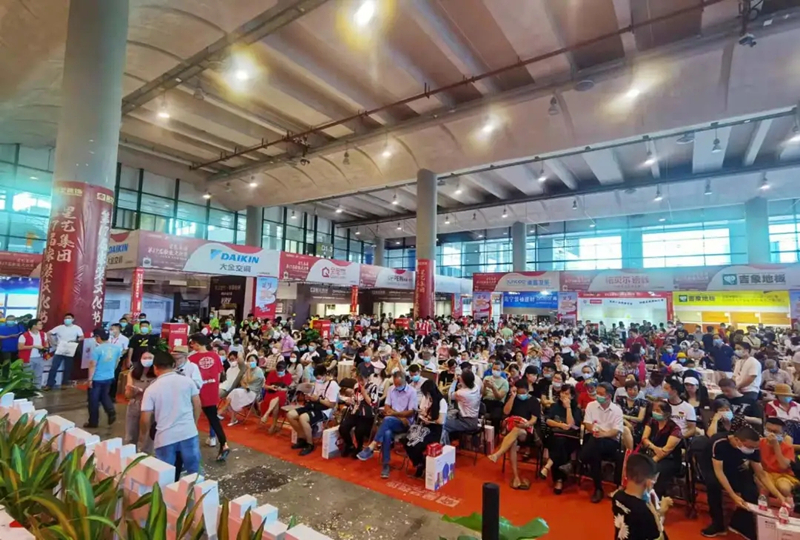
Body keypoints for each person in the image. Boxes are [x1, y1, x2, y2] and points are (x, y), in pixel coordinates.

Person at [702, 425, 786, 538]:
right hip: (713, 468)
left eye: (755, 447)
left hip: (736, 467)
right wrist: (733, 496)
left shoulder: (753, 448)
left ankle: (740, 523)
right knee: (713, 484)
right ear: (737, 440)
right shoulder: (719, 443)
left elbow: (761, 474)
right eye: (750, 447)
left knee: (751, 489)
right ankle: (717, 524)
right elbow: (719, 472)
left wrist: (779, 496)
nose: (752, 450)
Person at [140, 350, 202, 481]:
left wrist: (143, 437)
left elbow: (145, 418)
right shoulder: (187, 381)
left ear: (155, 368)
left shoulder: (151, 389)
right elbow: (197, 405)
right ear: (174, 365)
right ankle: (196, 493)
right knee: (194, 473)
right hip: (188, 433)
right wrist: (194, 424)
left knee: (165, 476)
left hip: (165, 437)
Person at [358, 370, 418, 479]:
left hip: (405, 424)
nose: (397, 386)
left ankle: (372, 446)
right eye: (395, 384)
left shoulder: (412, 392)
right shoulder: (391, 389)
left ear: (404, 381)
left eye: (399, 384)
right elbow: (386, 407)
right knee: (387, 433)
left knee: (387, 420)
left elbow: (410, 412)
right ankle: (386, 464)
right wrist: (398, 415)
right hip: (394, 420)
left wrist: (394, 414)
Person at [487, 379, 541, 490]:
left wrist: (525, 424)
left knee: (517, 430)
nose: (521, 395)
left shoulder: (534, 401)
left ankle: (498, 454)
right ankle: (516, 477)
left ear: (527, 390)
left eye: (523, 392)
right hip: (512, 429)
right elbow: (506, 412)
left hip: (527, 430)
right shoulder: (513, 398)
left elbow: (534, 420)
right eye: (519, 392)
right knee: (513, 441)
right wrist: (512, 397)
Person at [187, 334, 229, 461]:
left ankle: (189, 448)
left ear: (196, 343)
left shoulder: (191, 359)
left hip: (198, 393)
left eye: (192, 343)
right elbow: (218, 375)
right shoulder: (215, 356)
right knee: (213, 419)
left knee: (191, 419)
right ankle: (223, 443)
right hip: (212, 391)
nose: (192, 346)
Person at [612, 453, 672, 540]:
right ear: (649, 483)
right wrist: (659, 513)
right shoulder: (644, 511)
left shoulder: (617, 496)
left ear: (625, 473)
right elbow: (661, 537)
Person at [581, 382, 623, 503]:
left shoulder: (617, 410)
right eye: (597, 392)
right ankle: (598, 488)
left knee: (595, 444)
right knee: (595, 451)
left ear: (609, 396)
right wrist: (595, 431)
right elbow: (587, 423)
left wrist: (603, 434)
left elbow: (616, 430)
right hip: (594, 437)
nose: (597, 395)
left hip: (610, 440)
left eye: (600, 393)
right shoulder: (591, 405)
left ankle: (581, 458)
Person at [287, 364, 339, 456]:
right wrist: (309, 397)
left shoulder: (333, 385)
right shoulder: (318, 382)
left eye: (318, 378)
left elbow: (332, 404)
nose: (317, 380)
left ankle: (310, 443)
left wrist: (318, 399)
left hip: (324, 410)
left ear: (325, 374)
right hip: (314, 405)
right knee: (290, 415)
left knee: (303, 418)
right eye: (316, 378)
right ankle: (303, 437)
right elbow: (315, 395)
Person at [542, 383, 581, 494]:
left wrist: (568, 407)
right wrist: (559, 425)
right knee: (559, 443)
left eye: (567, 394)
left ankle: (549, 467)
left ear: (572, 396)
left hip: (571, 438)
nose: (564, 395)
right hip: (555, 435)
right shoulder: (555, 406)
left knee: (561, 444)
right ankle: (560, 479)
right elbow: (548, 420)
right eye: (562, 393)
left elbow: (571, 424)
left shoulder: (576, 409)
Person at [403, 379, 447, 477]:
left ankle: (421, 464)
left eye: (427, 393)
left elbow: (440, 421)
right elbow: (423, 411)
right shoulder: (426, 398)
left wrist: (429, 420)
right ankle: (419, 463)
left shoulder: (441, 402)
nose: (426, 396)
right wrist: (422, 414)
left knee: (416, 445)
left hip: (434, 430)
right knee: (406, 441)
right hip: (423, 426)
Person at [640, 400, 682, 497]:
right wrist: (654, 448)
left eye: (658, 411)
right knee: (635, 462)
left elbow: (665, 452)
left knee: (657, 469)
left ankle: (655, 498)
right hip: (651, 452)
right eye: (654, 410)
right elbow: (644, 439)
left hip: (669, 458)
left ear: (667, 414)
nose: (655, 412)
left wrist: (651, 461)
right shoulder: (652, 421)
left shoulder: (675, 429)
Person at [85, 329, 121, 429]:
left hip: (97, 378)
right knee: (104, 395)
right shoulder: (116, 348)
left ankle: (93, 422)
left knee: (93, 400)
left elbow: (92, 365)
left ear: (98, 337)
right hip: (109, 376)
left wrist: (90, 379)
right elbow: (117, 361)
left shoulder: (97, 350)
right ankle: (111, 411)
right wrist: (111, 371)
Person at [339, 370, 379, 458]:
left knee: (359, 430)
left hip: (367, 414)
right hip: (355, 411)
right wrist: (350, 400)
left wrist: (364, 392)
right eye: (358, 379)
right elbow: (355, 399)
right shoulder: (356, 386)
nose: (360, 382)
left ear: (367, 378)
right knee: (343, 427)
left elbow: (372, 403)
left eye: (362, 380)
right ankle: (350, 445)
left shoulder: (373, 387)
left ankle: (359, 447)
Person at [218, 353, 265, 426]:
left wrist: (248, 369)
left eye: (252, 360)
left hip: (253, 392)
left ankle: (222, 411)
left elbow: (249, 380)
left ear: (256, 361)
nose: (250, 362)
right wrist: (245, 385)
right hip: (245, 390)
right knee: (234, 394)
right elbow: (242, 381)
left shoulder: (259, 371)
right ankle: (232, 418)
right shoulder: (248, 370)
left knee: (235, 392)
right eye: (249, 361)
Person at [124, 350, 156, 454]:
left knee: (148, 437)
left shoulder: (157, 374)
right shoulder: (133, 373)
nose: (147, 360)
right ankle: (129, 456)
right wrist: (131, 391)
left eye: (150, 358)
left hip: (151, 408)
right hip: (135, 405)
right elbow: (127, 395)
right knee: (130, 435)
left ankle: (146, 455)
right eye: (144, 358)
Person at [759, 417, 798, 497]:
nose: (771, 434)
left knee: (784, 488)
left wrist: (776, 446)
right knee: (764, 487)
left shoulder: (787, 447)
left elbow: (783, 466)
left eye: (775, 432)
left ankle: (788, 502)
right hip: (765, 473)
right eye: (769, 430)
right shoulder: (759, 443)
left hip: (783, 475)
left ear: (782, 434)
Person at [44, 313, 84, 390]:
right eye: (65, 318)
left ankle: (65, 383)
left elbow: (82, 337)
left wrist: (75, 340)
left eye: (69, 318)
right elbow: (48, 333)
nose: (67, 320)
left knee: (68, 367)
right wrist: (52, 342)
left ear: (72, 319)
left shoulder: (77, 328)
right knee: (54, 367)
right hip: (60, 348)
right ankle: (50, 384)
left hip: (70, 348)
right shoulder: (59, 327)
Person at [444, 369, 481, 444]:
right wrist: (462, 386)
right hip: (474, 419)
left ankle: (446, 446)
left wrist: (454, 381)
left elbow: (450, 395)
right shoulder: (476, 387)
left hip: (466, 422)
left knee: (443, 424)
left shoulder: (462, 393)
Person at [260, 360, 294, 433]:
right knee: (276, 404)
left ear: (285, 369)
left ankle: (267, 415)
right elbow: (265, 386)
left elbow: (287, 389)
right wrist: (270, 387)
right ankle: (273, 424)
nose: (279, 372)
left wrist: (281, 389)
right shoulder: (272, 373)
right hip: (270, 393)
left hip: (282, 394)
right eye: (278, 371)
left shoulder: (288, 375)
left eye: (281, 370)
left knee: (278, 396)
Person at [617, 379, 647, 450]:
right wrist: (626, 422)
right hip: (621, 423)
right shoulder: (620, 399)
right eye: (630, 389)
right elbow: (617, 414)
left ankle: (627, 452)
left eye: (635, 390)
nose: (632, 392)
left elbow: (640, 419)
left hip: (636, 427)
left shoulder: (642, 402)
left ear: (638, 391)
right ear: (626, 390)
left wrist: (624, 416)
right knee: (624, 429)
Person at [17, 318, 47, 388]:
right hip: (28, 358)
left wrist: (45, 348)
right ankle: (26, 390)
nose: (41, 325)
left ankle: (37, 390)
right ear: (34, 326)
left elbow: (46, 344)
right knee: (26, 376)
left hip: (40, 358)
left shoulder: (43, 334)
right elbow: (20, 347)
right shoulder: (24, 335)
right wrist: (34, 346)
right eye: (39, 324)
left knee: (38, 376)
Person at [107, 322, 131, 402]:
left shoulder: (124, 339)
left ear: (118, 329)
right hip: (107, 359)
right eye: (110, 329)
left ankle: (112, 396)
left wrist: (118, 355)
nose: (111, 330)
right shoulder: (108, 338)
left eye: (112, 329)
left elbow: (125, 349)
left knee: (114, 378)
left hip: (117, 360)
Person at [482, 360, 509, 428]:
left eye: (497, 370)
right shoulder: (487, 378)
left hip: (497, 403)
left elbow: (499, 397)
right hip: (486, 401)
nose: (495, 371)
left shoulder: (505, 382)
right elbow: (483, 394)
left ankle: (494, 432)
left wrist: (493, 387)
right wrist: (484, 386)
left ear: (501, 370)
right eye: (494, 369)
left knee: (496, 417)